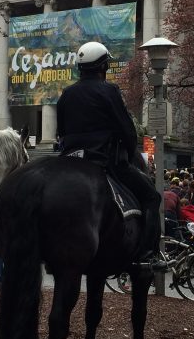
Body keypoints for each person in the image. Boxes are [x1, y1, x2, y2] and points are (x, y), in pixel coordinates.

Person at [56, 41, 162, 269]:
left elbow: (61, 132)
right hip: (105, 159)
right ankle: (148, 254)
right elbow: (127, 129)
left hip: (70, 159)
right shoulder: (109, 90)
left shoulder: (67, 93)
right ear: (103, 66)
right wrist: (129, 149)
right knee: (153, 197)